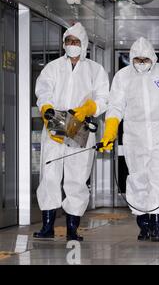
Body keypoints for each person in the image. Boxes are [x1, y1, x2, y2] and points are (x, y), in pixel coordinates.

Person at [99, 37, 159, 242]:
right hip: (134, 136)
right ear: (132, 58)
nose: (141, 62)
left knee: (158, 179)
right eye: (137, 59)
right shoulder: (123, 77)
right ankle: (143, 223)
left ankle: (157, 225)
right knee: (138, 179)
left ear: (153, 58)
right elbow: (115, 107)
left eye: (145, 59)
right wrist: (110, 131)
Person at [34, 23, 110, 241]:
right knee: (50, 173)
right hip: (56, 121)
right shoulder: (53, 67)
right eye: (68, 42)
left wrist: (89, 108)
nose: (72, 46)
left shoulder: (95, 70)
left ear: (83, 44)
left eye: (76, 42)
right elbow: (43, 89)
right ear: (64, 44)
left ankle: (72, 229)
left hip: (80, 124)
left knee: (77, 177)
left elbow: (104, 97)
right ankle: (47, 226)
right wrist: (47, 107)